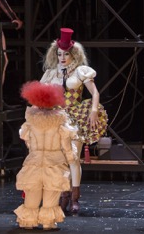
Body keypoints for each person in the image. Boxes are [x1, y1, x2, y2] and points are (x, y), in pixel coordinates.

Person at [39, 27, 108, 215]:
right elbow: (41, 96)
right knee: (59, 159)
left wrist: (94, 111)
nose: (62, 58)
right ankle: (63, 194)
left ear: (73, 54)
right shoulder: (51, 74)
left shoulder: (80, 72)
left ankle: (75, 197)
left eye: (66, 54)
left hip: (75, 117)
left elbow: (95, 93)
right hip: (56, 118)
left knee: (73, 157)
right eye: (59, 54)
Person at [13, 80, 77, 231]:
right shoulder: (60, 122)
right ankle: (48, 223)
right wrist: (71, 158)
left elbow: (27, 141)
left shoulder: (30, 122)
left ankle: (28, 222)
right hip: (54, 162)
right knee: (51, 195)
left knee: (32, 195)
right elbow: (67, 145)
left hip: (34, 162)